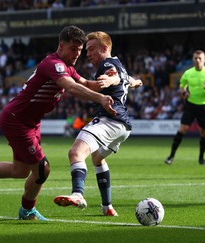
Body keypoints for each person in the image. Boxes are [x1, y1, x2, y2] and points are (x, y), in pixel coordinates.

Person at [0, 26, 119, 221]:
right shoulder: (54, 64)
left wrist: (113, 80)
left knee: (21, 170)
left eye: (80, 49)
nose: (78, 54)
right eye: (73, 49)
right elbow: (72, 88)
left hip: (29, 122)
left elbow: (86, 84)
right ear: (61, 46)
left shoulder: (67, 67)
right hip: (17, 120)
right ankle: (27, 211)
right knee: (42, 169)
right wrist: (100, 99)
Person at [53, 31, 143, 216]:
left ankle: (78, 194)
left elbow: (115, 77)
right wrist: (136, 82)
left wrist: (109, 79)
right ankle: (107, 206)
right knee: (97, 159)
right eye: (87, 50)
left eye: (92, 49)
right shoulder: (120, 65)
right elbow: (127, 79)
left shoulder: (107, 64)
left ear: (105, 48)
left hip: (109, 120)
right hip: (123, 127)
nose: (88, 53)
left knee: (75, 152)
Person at [164, 50, 205, 166]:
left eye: (200, 58)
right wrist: (184, 93)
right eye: (195, 58)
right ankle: (171, 156)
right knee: (182, 129)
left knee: (204, 133)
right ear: (193, 59)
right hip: (191, 105)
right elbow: (182, 87)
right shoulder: (188, 73)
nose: (198, 60)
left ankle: (201, 158)